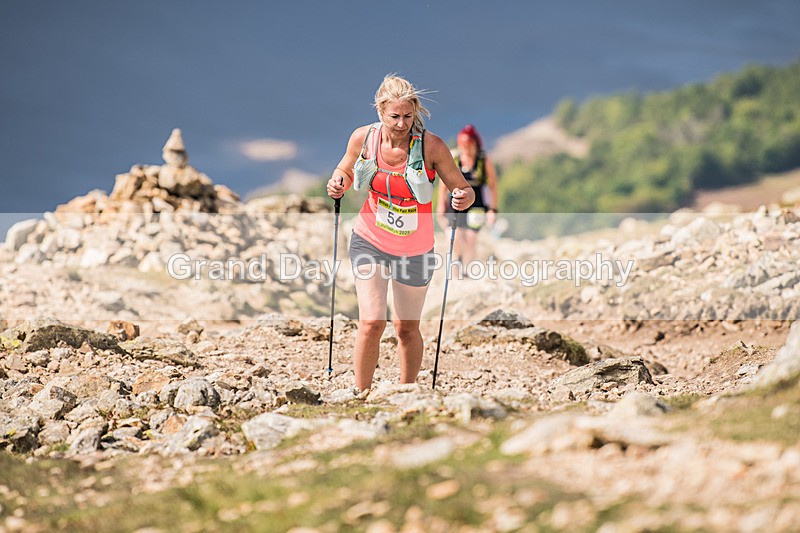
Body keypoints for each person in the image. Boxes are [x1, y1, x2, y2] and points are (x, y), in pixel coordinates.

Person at [327, 75, 475, 391]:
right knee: (371, 322)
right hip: (370, 239)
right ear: (380, 111)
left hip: (415, 249)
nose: (401, 124)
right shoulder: (363, 138)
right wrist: (338, 182)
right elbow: (344, 170)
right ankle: (361, 394)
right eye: (394, 116)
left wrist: (463, 197)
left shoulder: (431, 146)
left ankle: (407, 392)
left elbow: (463, 188)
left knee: (405, 328)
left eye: (408, 116)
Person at [436, 124, 499, 267]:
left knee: (471, 239)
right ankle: (455, 266)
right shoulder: (454, 157)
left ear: (475, 144)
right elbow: (443, 184)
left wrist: (492, 209)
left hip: (477, 203)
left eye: (469, 145)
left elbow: (493, 185)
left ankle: (467, 269)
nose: (466, 149)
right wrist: (441, 205)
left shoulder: (483, 160)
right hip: (455, 202)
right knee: (454, 237)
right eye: (463, 145)